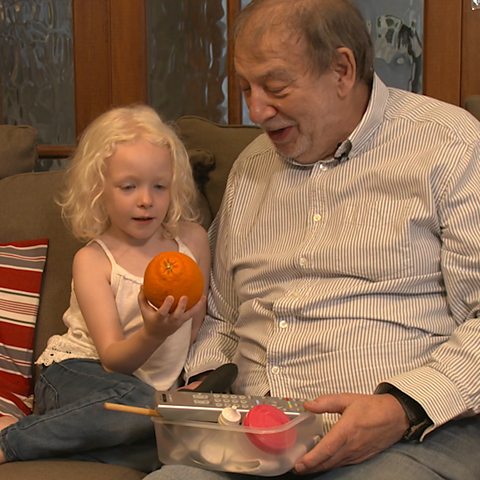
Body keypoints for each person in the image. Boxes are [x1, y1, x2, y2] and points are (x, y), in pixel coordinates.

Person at [145, 0, 480, 479]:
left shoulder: (451, 146)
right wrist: (201, 389)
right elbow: (221, 316)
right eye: (245, 88)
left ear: (342, 69)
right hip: (249, 443)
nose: (256, 110)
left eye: (275, 86)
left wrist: (402, 406)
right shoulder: (251, 168)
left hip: (406, 441)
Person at [0, 105, 210, 471]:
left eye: (159, 186)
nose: (146, 199)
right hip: (74, 374)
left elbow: (194, 330)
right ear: (100, 190)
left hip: (142, 401)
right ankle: (10, 441)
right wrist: (154, 331)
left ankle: (53, 439)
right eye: (129, 187)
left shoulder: (192, 241)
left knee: (172, 443)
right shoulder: (94, 260)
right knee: (139, 403)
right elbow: (114, 360)